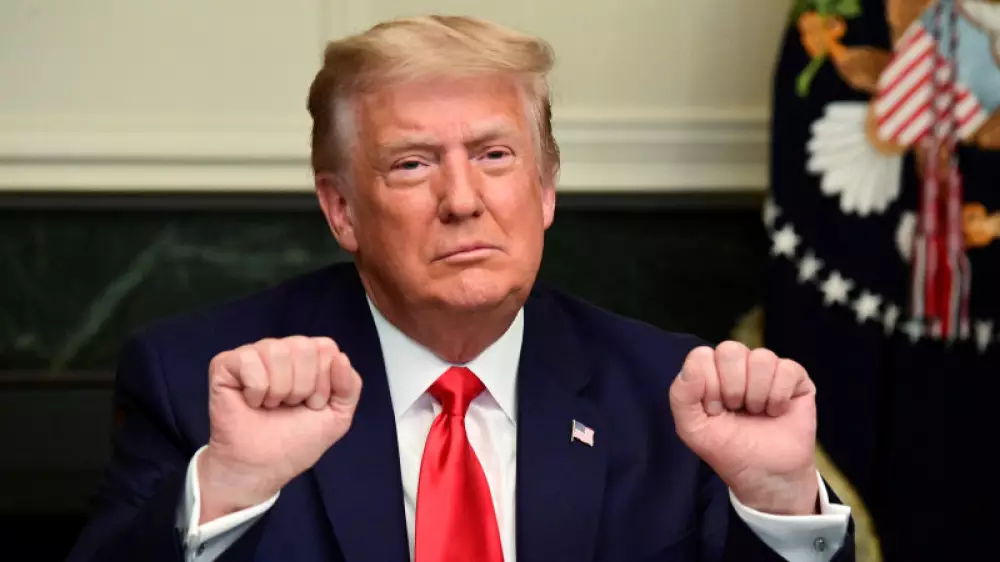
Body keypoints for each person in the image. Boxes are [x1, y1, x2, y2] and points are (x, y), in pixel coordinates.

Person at [67, 15, 854, 562]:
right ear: (342, 210)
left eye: (495, 156)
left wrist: (780, 506)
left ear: (545, 189)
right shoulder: (198, 382)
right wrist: (229, 488)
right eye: (412, 164)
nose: (463, 199)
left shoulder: (669, 395)